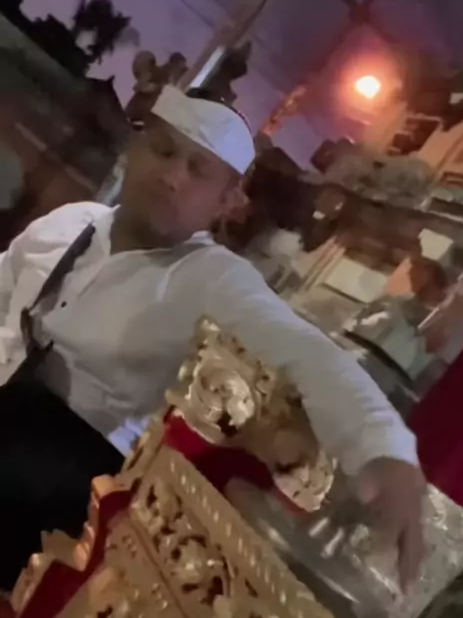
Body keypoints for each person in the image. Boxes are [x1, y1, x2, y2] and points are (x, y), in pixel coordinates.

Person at [0, 86, 424, 590]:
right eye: (163, 150)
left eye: (198, 171)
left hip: (61, 477)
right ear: (135, 147)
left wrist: (386, 452)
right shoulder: (73, 221)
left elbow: (309, 354)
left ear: (225, 201)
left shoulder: (211, 278)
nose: (172, 176)